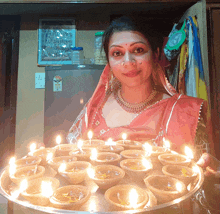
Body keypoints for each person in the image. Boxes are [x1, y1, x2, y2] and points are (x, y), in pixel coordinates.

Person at [67, 15, 212, 159]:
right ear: (109, 62)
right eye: (117, 53)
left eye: (138, 50)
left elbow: (200, 172)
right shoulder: (94, 110)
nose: (128, 62)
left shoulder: (184, 112)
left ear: (155, 54)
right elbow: (73, 161)